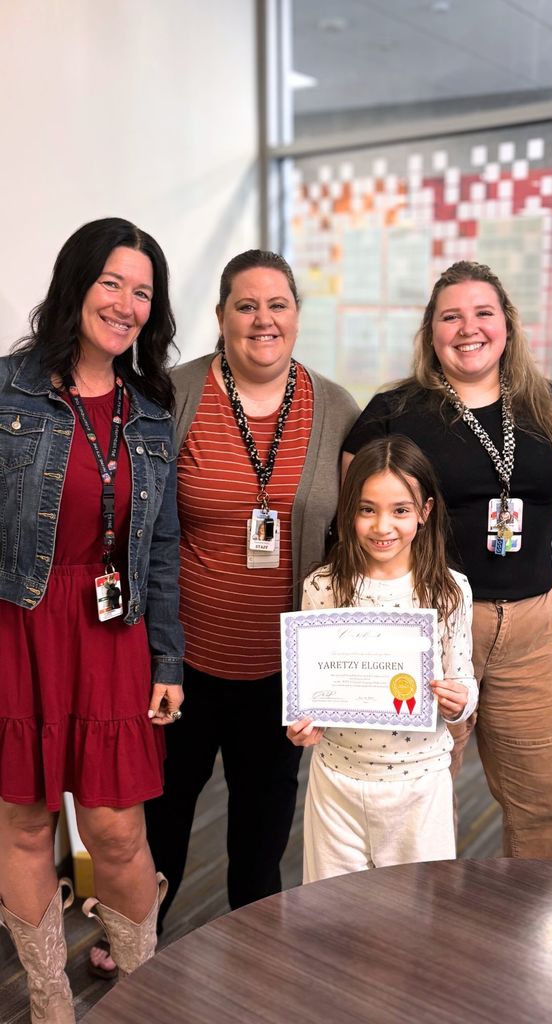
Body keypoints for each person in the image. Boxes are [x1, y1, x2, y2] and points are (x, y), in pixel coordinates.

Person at [135, 249, 358, 949]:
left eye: (278, 305)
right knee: (164, 817)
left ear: (296, 314)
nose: (263, 319)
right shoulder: (172, 395)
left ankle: (254, 951)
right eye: (246, 305)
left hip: (283, 672)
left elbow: (357, 538)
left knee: (263, 830)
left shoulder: (338, 408)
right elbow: (140, 524)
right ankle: (142, 932)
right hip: (184, 663)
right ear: (222, 316)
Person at [343, 261, 552, 861]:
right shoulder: (393, 411)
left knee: (540, 803)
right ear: (430, 331)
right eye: (450, 316)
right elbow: (354, 530)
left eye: (483, 313)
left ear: (506, 324)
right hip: (429, 631)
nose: (468, 328)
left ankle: (537, 931)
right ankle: (425, 936)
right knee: (418, 798)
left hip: (534, 627)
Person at [0, 217, 184, 1021]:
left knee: (116, 834)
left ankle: (138, 1000)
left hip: (115, 634)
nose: (126, 303)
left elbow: (165, 545)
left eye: (142, 292)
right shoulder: (7, 391)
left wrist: (169, 661)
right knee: (25, 823)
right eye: (112, 282)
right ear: (75, 284)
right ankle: (50, 1003)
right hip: (20, 626)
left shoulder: (149, 409)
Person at [287, 436, 478, 881]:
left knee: (416, 919)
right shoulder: (322, 587)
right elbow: (309, 695)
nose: (382, 526)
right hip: (337, 779)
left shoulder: (449, 592)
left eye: (401, 510)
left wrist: (459, 701)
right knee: (334, 915)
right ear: (348, 509)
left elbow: (464, 680)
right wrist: (301, 724)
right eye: (367, 509)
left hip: (420, 783)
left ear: (425, 512)